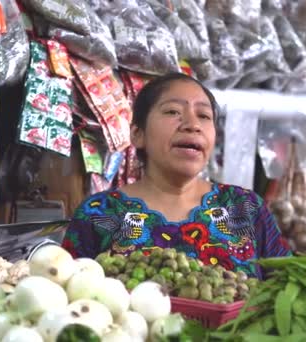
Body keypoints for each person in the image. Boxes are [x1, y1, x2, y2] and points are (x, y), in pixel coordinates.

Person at [62, 73, 290, 279]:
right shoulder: (98, 213)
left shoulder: (244, 207)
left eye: (204, 115)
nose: (192, 125)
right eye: (173, 112)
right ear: (137, 134)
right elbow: (69, 295)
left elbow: (287, 286)